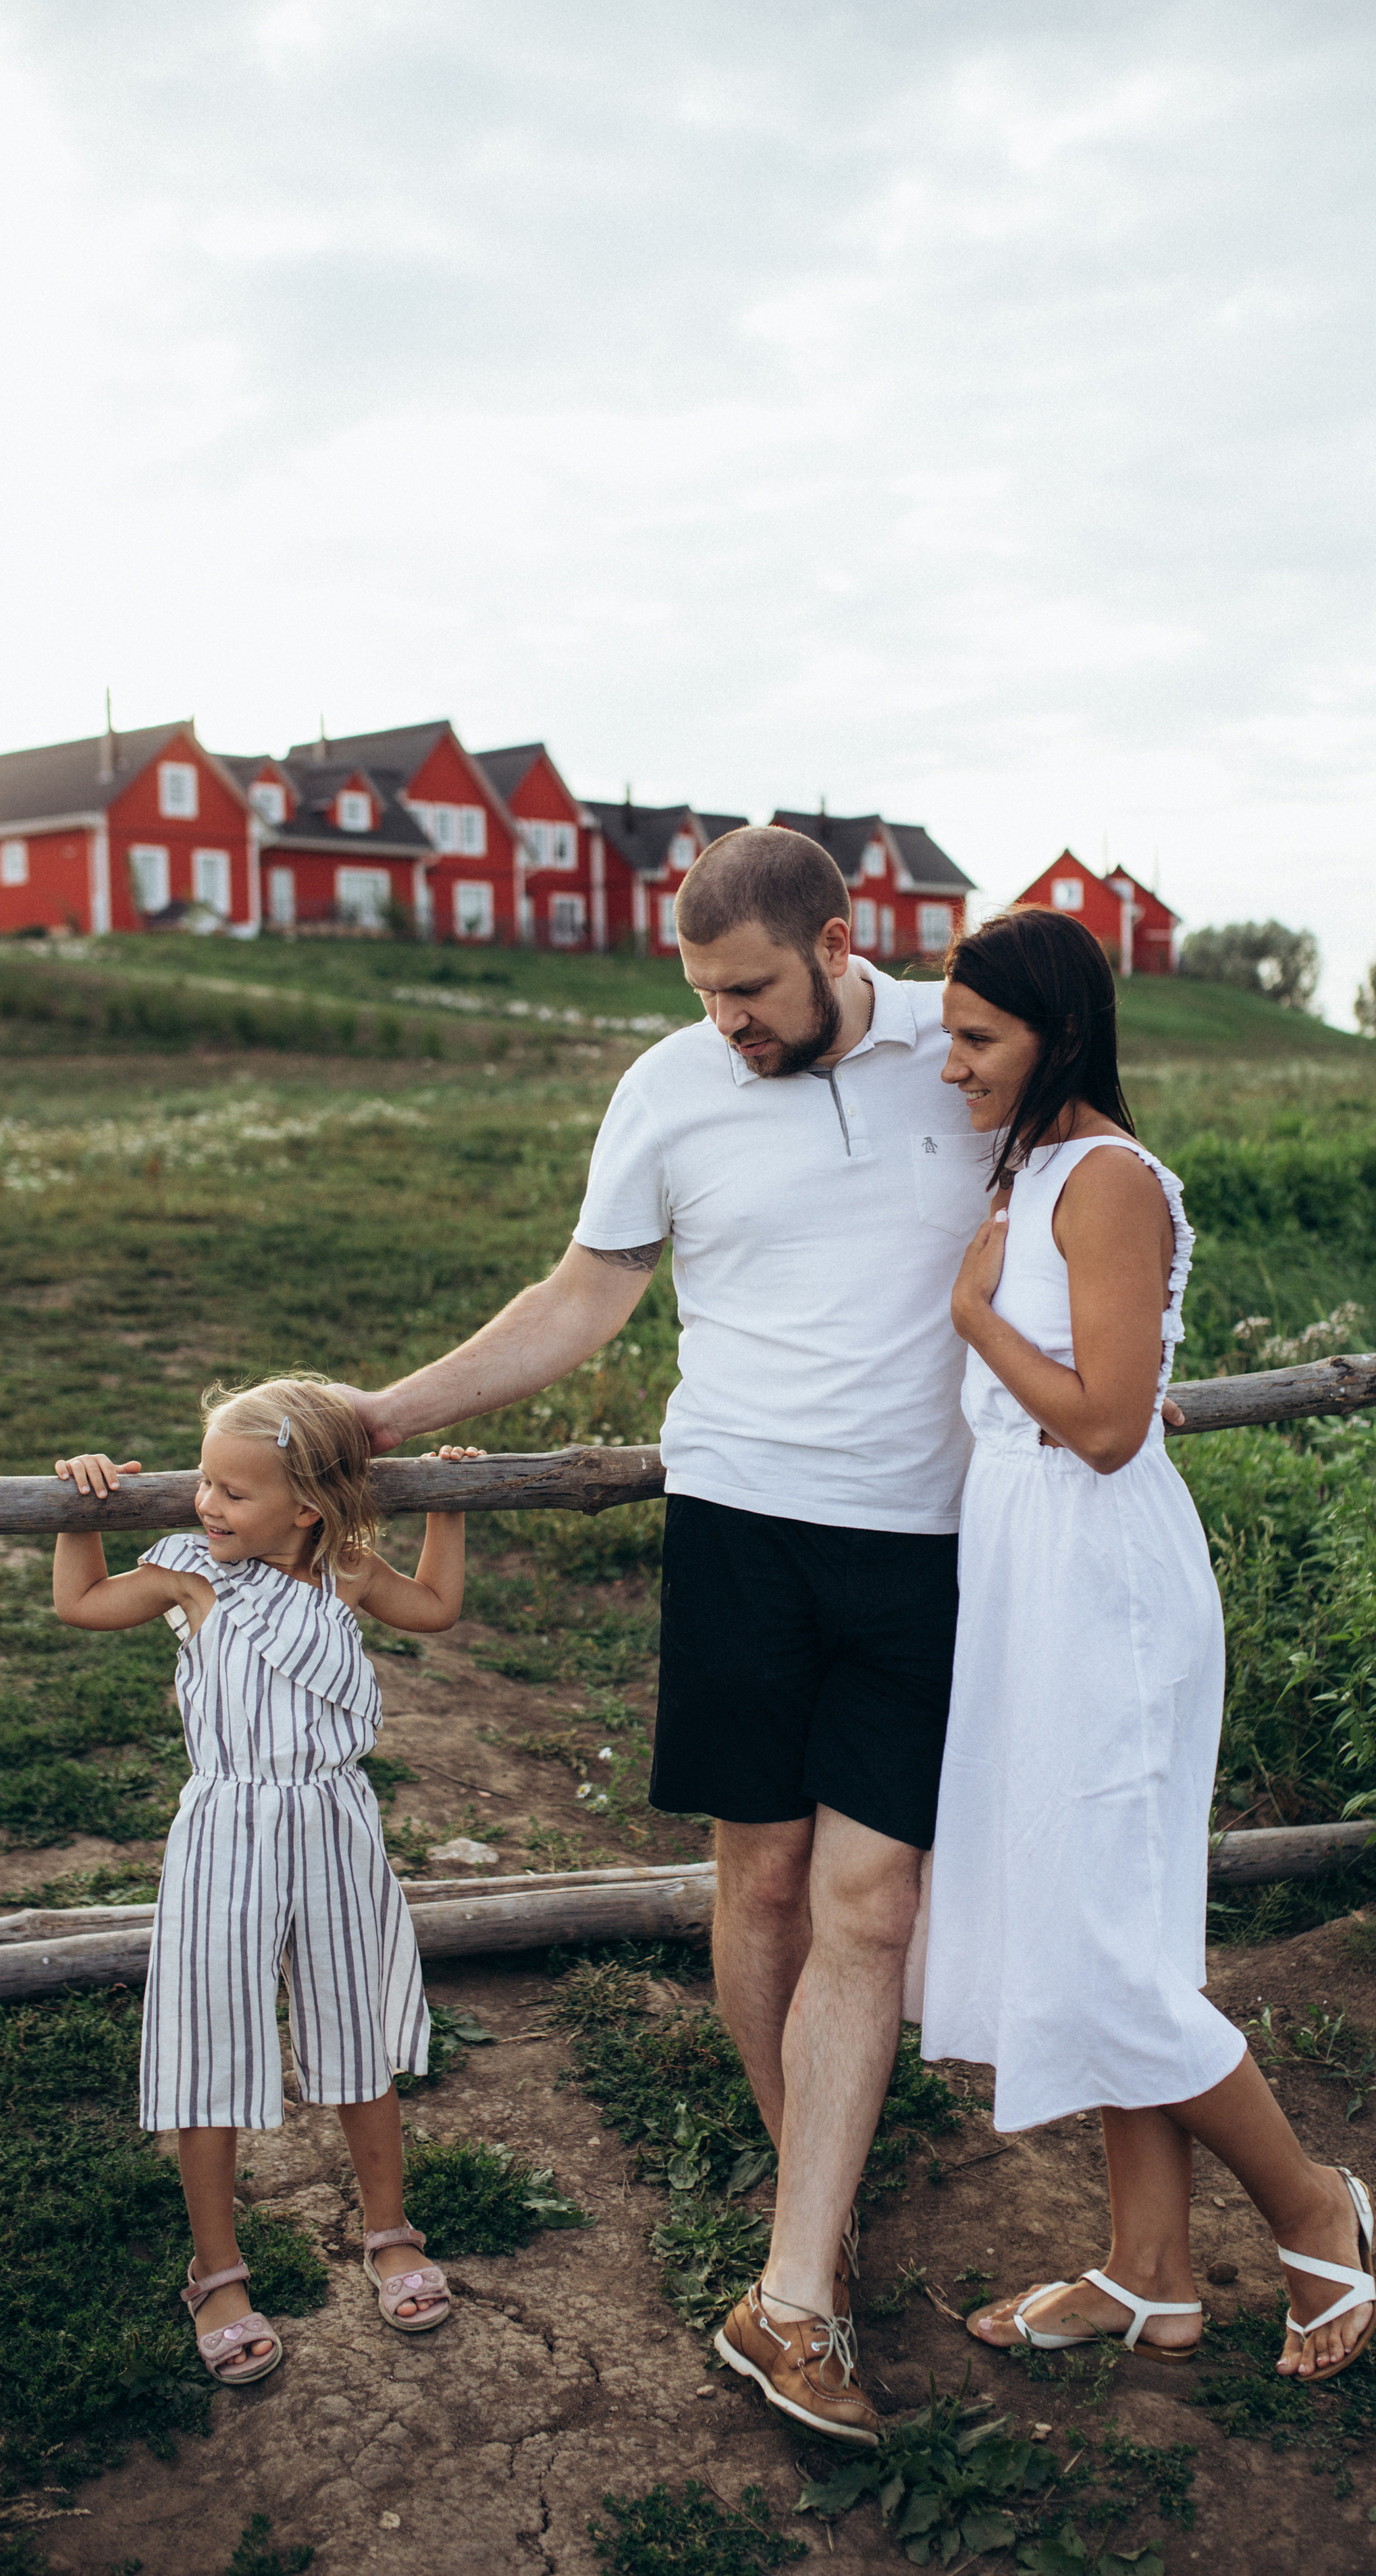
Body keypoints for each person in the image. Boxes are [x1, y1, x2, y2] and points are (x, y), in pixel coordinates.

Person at [338, 826, 997, 2443]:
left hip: (923, 1548)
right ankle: (812, 2230)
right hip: (739, 1535)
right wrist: (383, 1411)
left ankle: (790, 2285)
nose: (728, 1025)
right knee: (762, 1880)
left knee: (873, 1898)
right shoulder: (667, 1088)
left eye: (752, 992)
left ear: (843, 944)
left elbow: (1084, 1206)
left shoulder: (957, 1057)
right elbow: (583, 1296)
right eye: (704, 996)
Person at [920, 907, 1376, 2384]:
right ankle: (1149, 2276)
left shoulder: (1105, 1179)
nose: (950, 1063)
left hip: (1098, 1583)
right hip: (1026, 1573)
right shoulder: (1034, 1164)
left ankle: (1315, 2211)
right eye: (943, 1030)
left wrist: (973, 1317)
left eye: (977, 1038)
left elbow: (1110, 1429)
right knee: (1088, 1924)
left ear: (1057, 1033)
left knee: (1111, 1951)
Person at [53, 1379, 487, 2384]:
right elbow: (79, 1604)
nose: (206, 1504)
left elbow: (437, 1609)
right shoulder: (190, 1576)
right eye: (204, 1481)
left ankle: (389, 2232)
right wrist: (80, 1510)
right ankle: (218, 2269)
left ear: (308, 1506)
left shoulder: (345, 1573)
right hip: (224, 1833)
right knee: (211, 2040)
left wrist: (452, 1509)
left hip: (333, 1823)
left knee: (354, 2029)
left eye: (232, 1492)